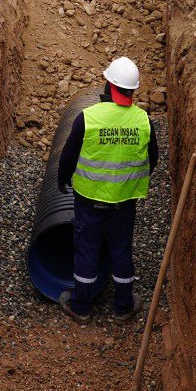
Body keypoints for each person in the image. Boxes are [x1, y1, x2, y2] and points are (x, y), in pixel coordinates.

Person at [55, 56, 158, 323]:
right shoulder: (143, 121)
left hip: (89, 198)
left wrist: (62, 178)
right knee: (121, 249)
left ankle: (81, 306)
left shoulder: (88, 118)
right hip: (124, 200)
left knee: (87, 249)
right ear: (133, 89)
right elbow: (152, 159)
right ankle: (123, 307)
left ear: (107, 85)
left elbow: (68, 156)